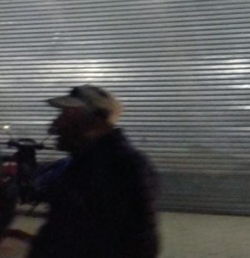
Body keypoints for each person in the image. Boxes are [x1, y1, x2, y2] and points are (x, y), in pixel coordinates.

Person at [27, 85, 159, 258]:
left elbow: (141, 244)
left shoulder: (125, 166)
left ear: (96, 120)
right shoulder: (81, 163)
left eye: (67, 114)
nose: (55, 123)